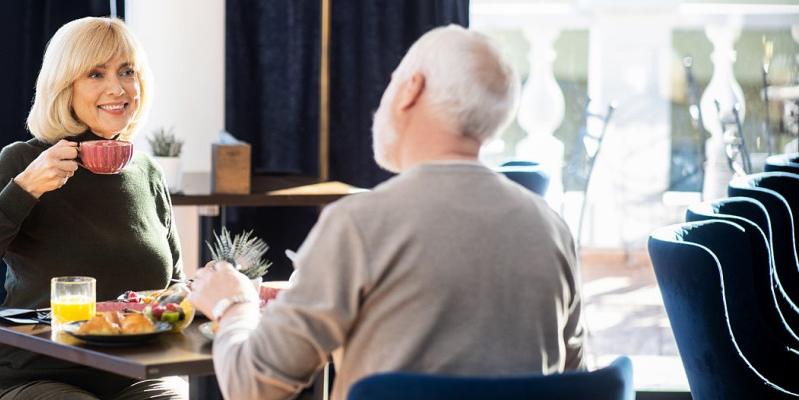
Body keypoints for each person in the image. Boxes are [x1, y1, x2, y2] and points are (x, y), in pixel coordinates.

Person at [189, 24, 587, 400]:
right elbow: (574, 377)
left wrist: (233, 304)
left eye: (393, 80)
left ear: (411, 89)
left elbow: (252, 386)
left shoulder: (358, 224)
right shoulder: (552, 230)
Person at [0, 16, 185, 400]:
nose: (117, 88)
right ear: (64, 87)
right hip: (32, 376)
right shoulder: (25, 160)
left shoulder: (148, 171)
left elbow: (172, 292)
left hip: (135, 376)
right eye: (95, 74)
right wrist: (25, 188)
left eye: (127, 71)